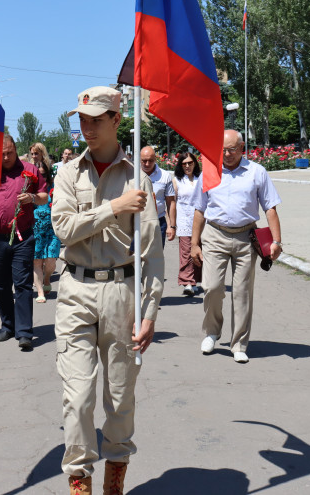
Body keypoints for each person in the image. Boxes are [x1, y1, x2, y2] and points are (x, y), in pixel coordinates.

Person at [52, 86, 164, 494]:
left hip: (122, 292)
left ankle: (115, 473)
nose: (87, 128)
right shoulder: (67, 173)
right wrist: (114, 208)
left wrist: (150, 313)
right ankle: (79, 478)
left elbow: (151, 252)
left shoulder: (138, 179)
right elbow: (63, 229)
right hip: (76, 289)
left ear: (117, 120)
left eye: (96, 120)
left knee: (119, 397)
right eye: (82, 120)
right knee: (78, 397)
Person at [191, 130, 282, 363]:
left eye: (232, 149)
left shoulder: (257, 172)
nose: (227, 154)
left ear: (242, 147)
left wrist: (276, 241)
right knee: (211, 287)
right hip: (215, 235)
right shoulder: (210, 171)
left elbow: (270, 208)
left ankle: (239, 343)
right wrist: (194, 243)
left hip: (245, 237)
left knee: (241, 292)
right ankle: (212, 332)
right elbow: (199, 210)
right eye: (222, 150)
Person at [0, 135, 48, 352]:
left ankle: (24, 332)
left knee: (22, 284)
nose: (5, 157)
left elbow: (44, 195)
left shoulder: (30, 169)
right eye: (1, 154)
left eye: (9, 153)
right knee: (1, 284)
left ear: (15, 150)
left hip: (23, 236)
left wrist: (32, 198)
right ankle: (8, 325)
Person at [29, 142, 61, 303]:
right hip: (35, 223)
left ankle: (47, 277)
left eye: (37, 153)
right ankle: (40, 291)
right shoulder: (27, 177)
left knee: (50, 260)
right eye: (32, 154)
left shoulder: (53, 181)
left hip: (51, 223)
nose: (34, 157)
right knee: (37, 260)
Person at [172, 152, 203, 296]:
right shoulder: (177, 181)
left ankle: (196, 280)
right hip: (184, 220)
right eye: (184, 164)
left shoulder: (200, 179)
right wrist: (171, 222)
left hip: (200, 221)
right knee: (186, 253)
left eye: (190, 163)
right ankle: (187, 282)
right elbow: (172, 202)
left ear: (195, 163)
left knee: (198, 251)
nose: (187, 166)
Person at [140, 146, 176, 248]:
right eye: (144, 161)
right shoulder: (132, 174)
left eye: (150, 161)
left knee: (156, 258)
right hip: (137, 222)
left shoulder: (164, 176)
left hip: (158, 222)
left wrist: (171, 226)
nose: (147, 164)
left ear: (155, 159)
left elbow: (171, 202)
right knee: (135, 259)